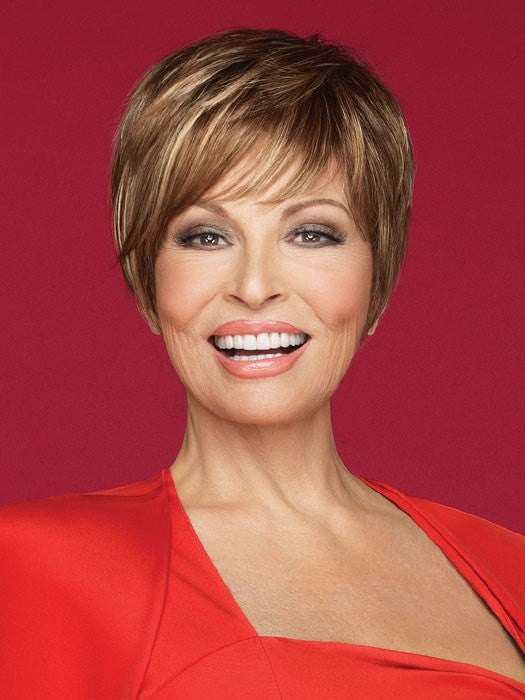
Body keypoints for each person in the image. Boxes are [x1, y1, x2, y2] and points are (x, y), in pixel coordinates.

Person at [1, 27, 523, 699]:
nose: (253, 285)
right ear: (150, 283)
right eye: (205, 236)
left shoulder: (510, 566)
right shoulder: (38, 566)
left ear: (376, 280)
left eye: (310, 233)